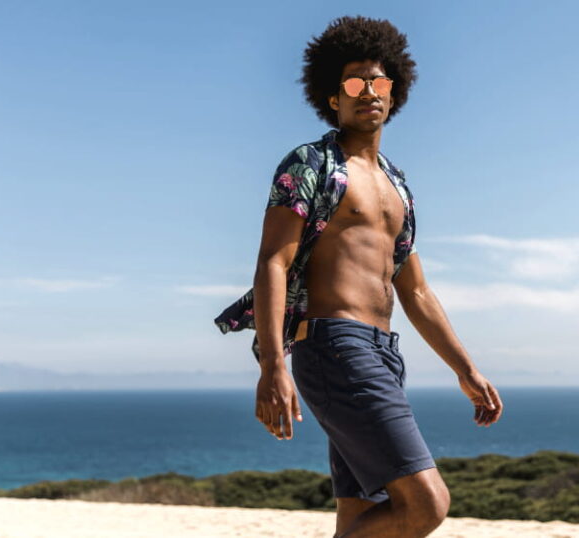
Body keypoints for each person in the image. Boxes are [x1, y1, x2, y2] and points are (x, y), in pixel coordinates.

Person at [215, 15, 503, 538]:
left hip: (384, 353)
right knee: (427, 504)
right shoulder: (311, 164)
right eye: (354, 82)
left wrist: (466, 369)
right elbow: (272, 262)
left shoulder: (399, 186)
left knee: (358, 515)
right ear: (333, 97)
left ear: (394, 93)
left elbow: (414, 289)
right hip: (334, 347)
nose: (368, 92)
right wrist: (273, 366)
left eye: (379, 82)